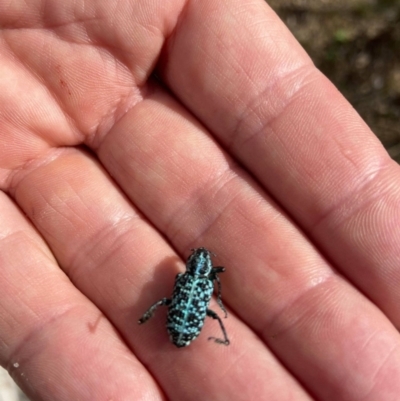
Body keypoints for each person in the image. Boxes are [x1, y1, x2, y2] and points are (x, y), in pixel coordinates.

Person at [1, 1, 399, 400]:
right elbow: (200, 290)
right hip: (183, 323)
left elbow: (189, 290)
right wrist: (212, 308)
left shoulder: (189, 280)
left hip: (181, 324)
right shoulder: (198, 282)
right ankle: (211, 332)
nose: (195, 265)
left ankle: (199, 329)